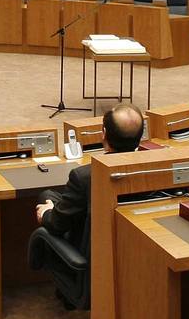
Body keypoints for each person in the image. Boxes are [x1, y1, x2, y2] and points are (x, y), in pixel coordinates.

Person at [35, 101, 143, 237]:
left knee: (47, 197)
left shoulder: (83, 176)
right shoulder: (150, 171)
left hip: (93, 249)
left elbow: (58, 225)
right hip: (129, 239)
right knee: (54, 197)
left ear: (104, 133)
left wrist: (46, 213)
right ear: (140, 138)